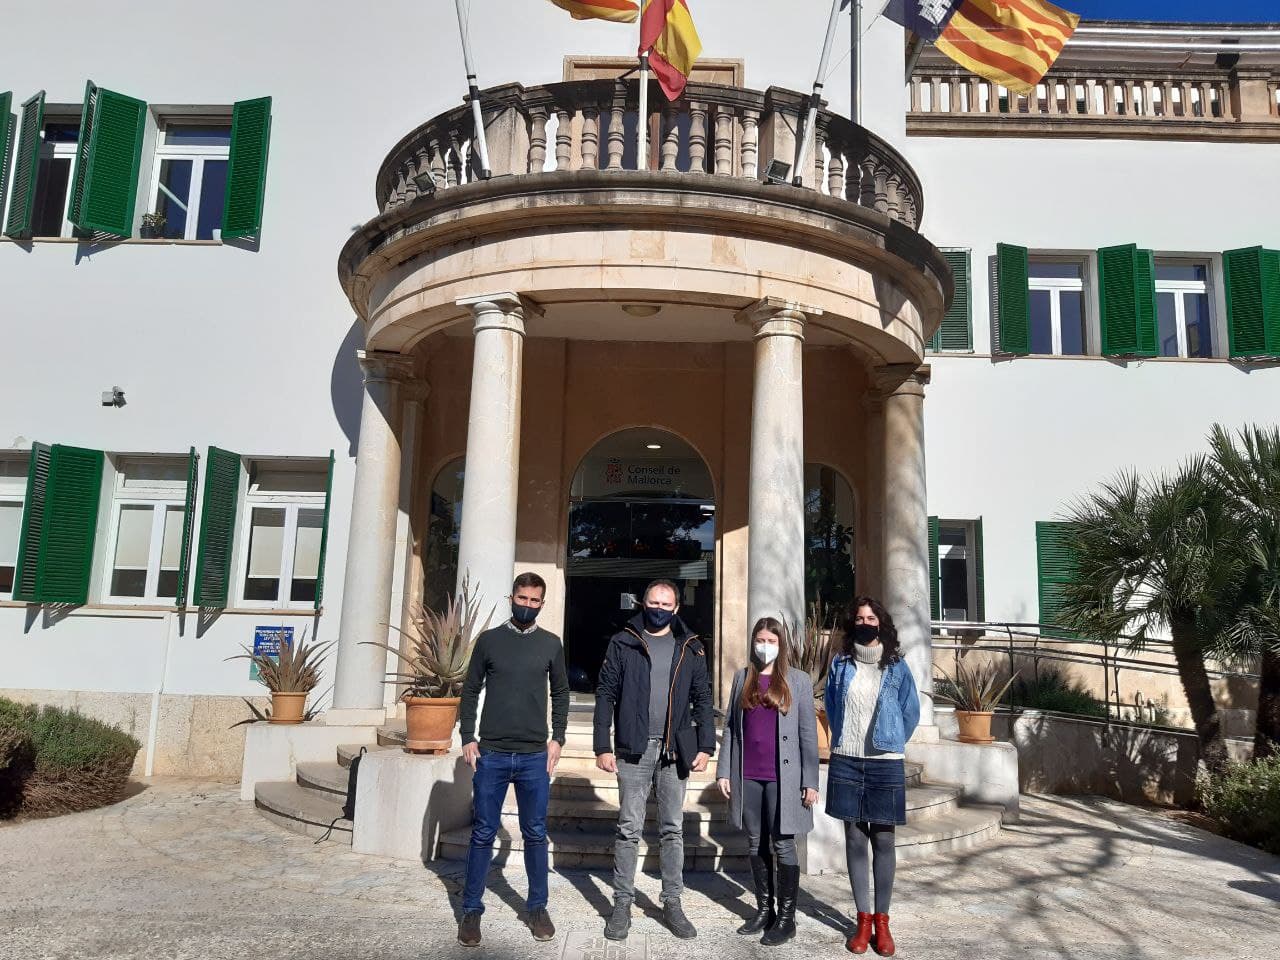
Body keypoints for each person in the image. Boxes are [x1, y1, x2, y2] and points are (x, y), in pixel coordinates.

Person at [593, 578, 715, 941]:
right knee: (629, 828)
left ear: (676, 608)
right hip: (634, 746)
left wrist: (705, 746)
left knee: (673, 829)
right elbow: (605, 694)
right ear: (642, 603)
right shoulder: (624, 641)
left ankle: (672, 903)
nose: (659, 609)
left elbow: (703, 699)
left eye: (666, 604)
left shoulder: (690, 646)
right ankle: (622, 905)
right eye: (653, 602)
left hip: (675, 748)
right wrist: (602, 745)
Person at [456, 572, 570, 948]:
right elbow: (470, 689)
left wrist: (558, 740)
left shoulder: (551, 644)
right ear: (512, 597)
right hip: (491, 754)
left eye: (534, 601)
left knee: (535, 833)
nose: (527, 605)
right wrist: (467, 736)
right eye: (522, 598)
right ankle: (471, 910)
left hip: (535, 757)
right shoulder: (489, 641)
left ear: (542, 602)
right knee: (484, 832)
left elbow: (563, 693)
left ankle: (537, 907)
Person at [824, 596, 920, 958]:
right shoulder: (840, 663)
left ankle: (883, 920)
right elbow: (833, 706)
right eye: (860, 618)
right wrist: (844, 740)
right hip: (847, 758)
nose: (866, 623)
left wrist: (892, 739)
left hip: (885, 760)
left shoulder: (897, 665)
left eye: (871, 617)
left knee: (883, 839)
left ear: (882, 624)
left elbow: (910, 710)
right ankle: (862, 920)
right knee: (853, 838)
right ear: (854, 625)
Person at [715, 616, 819, 946]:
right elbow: (731, 728)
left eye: (772, 641)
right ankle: (764, 910)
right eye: (760, 640)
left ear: (781, 644)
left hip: (783, 778)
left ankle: (786, 918)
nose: (765, 646)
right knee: (754, 841)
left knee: (783, 843)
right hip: (748, 775)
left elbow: (807, 734)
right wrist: (724, 771)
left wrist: (810, 779)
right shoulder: (742, 677)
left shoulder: (797, 680)